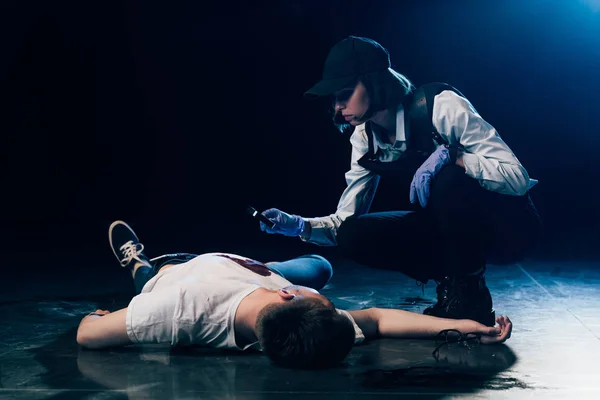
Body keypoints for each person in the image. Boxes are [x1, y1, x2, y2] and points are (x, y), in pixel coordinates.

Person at [259, 36, 542, 327]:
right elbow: (345, 220)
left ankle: (470, 294)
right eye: (333, 99)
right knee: (354, 235)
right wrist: (299, 226)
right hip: (448, 233)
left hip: (509, 229)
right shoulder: (364, 138)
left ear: (375, 83)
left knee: (449, 179)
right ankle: (454, 284)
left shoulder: (440, 107)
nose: (337, 107)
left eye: (344, 93)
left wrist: (453, 156)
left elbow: (517, 179)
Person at [76, 220, 513, 369]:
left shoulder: (174, 313)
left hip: (182, 273)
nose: (330, 305)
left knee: (148, 281)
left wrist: (97, 318)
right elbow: (377, 318)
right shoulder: (298, 325)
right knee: (321, 266)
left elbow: (86, 337)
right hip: (253, 270)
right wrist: (466, 325)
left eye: (317, 301)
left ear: (286, 298)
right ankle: (269, 265)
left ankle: (140, 264)